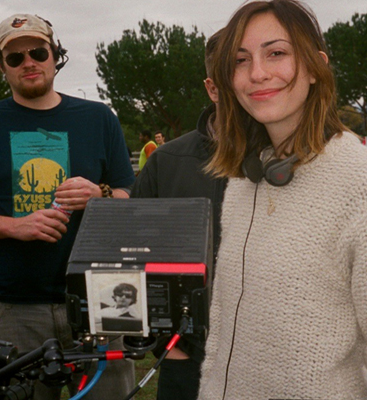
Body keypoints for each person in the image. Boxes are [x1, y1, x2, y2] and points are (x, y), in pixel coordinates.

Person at [198, 1, 367, 399]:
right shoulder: (243, 180)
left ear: (313, 67)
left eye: (276, 53)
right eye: (240, 60)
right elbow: (222, 324)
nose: (257, 73)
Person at [0, 14, 136, 400]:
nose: (28, 62)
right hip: (8, 308)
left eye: (37, 51)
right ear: (1, 66)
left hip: (97, 300)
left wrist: (99, 196)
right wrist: (15, 226)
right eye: (14, 58)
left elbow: (127, 200)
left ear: (54, 55)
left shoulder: (98, 118)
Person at [132, 30, 226, 400]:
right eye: (234, 67)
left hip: (278, 357)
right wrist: (167, 345)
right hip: (188, 360)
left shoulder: (296, 161)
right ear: (212, 87)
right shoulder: (167, 162)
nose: (251, 78)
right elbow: (129, 258)